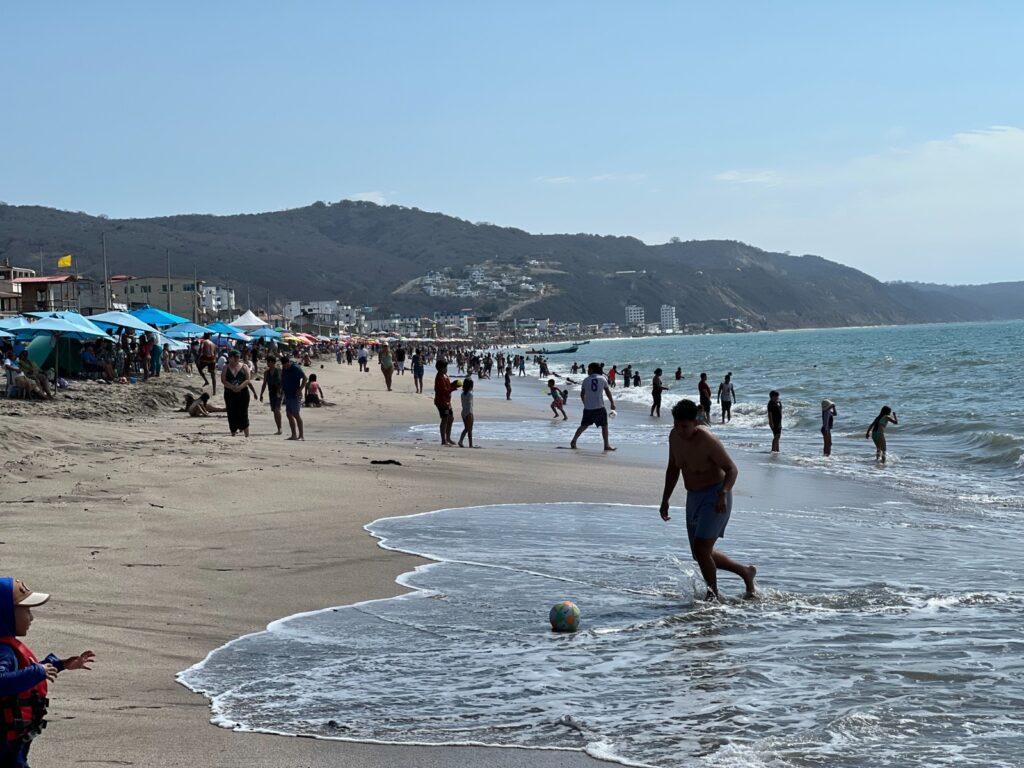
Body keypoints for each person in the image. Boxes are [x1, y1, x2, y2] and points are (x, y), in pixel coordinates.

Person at [659, 399, 757, 600]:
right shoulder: (674, 437)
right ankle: (744, 572)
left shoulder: (707, 440)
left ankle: (712, 595)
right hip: (693, 497)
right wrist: (665, 499)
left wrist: (723, 493)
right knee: (700, 553)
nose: (680, 430)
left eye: (685, 426)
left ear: (696, 422)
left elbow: (732, 469)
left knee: (702, 549)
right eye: (676, 425)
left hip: (716, 495)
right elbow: (673, 469)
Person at [0, 578, 95, 768]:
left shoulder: (7, 648)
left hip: (16, 741)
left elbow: (23, 673)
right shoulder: (4, 651)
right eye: (26, 611)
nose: (31, 618)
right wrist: (37, 671)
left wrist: (59, 665)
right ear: (5, 614)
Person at [570, 363, 616, 451]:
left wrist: (585, 403)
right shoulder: (602, 379)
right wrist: (612, 402)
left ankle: (574, 440)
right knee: (604, 426)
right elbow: (607, 391)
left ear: (592, 370)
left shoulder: (586, 380)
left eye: (588, 369)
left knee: (583, 425)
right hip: (600, 407)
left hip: (588, 408)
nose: (587, 370)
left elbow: (582, 394)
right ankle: (606, 445)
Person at [221, 350, 251, 437]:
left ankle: (247, 434)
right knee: (231, 412)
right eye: (234, 357)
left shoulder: (244, 366)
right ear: (230, 358)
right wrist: (232, 387)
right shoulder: (226, 367)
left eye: (238, 357)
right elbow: (223, 380)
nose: (236, 359)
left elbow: (248, 379)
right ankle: (233, 432)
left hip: (243, 392)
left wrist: (240, 387)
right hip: (229, 392)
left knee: (243, 412)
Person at [433, 360, 461, 446]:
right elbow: (444, 391)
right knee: (444, 419)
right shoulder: (439, 378)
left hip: (447, 402)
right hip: (441, 402)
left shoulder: (445, 376)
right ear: (441, 369)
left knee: (451, 418)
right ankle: (443, 440)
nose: (446, 369)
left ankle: (448, 438)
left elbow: (448, 386)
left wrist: (454, 383)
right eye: (445, 368)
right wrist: (454, 388)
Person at [280, 355, 307, 440]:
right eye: (284, 365)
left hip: (295, 395)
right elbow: (283, 379)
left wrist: (300, 389)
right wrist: (280, 390)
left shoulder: (296, 368)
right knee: (288, 414)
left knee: (296, 415)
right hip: (287, 394)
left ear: (289, 362)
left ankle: (301, 435)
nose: (285, 367)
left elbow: (305, 378)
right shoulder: (284, 369)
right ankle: (294, 435)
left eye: (286, 365)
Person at [259, 354, 284, 435]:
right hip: (271, 392)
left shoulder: (279, 371)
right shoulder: (266, 372)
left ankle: (280, 428)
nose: (267, 363)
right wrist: (261, 394)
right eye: (267, 361)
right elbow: (264, 383)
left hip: (279, 391)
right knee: (274, 410)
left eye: (268, 362)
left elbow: (281, 382)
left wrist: (279, 392)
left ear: (273, 362)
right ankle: (278, 428)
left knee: (277, 409)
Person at [458, 378, 476, 448]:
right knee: (469, 429)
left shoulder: (462, 394)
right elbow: (471, 404)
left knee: (466, 428)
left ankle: (461, 441)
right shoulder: (470, 394)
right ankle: (470, 444)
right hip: (469, 412)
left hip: (463, 412)